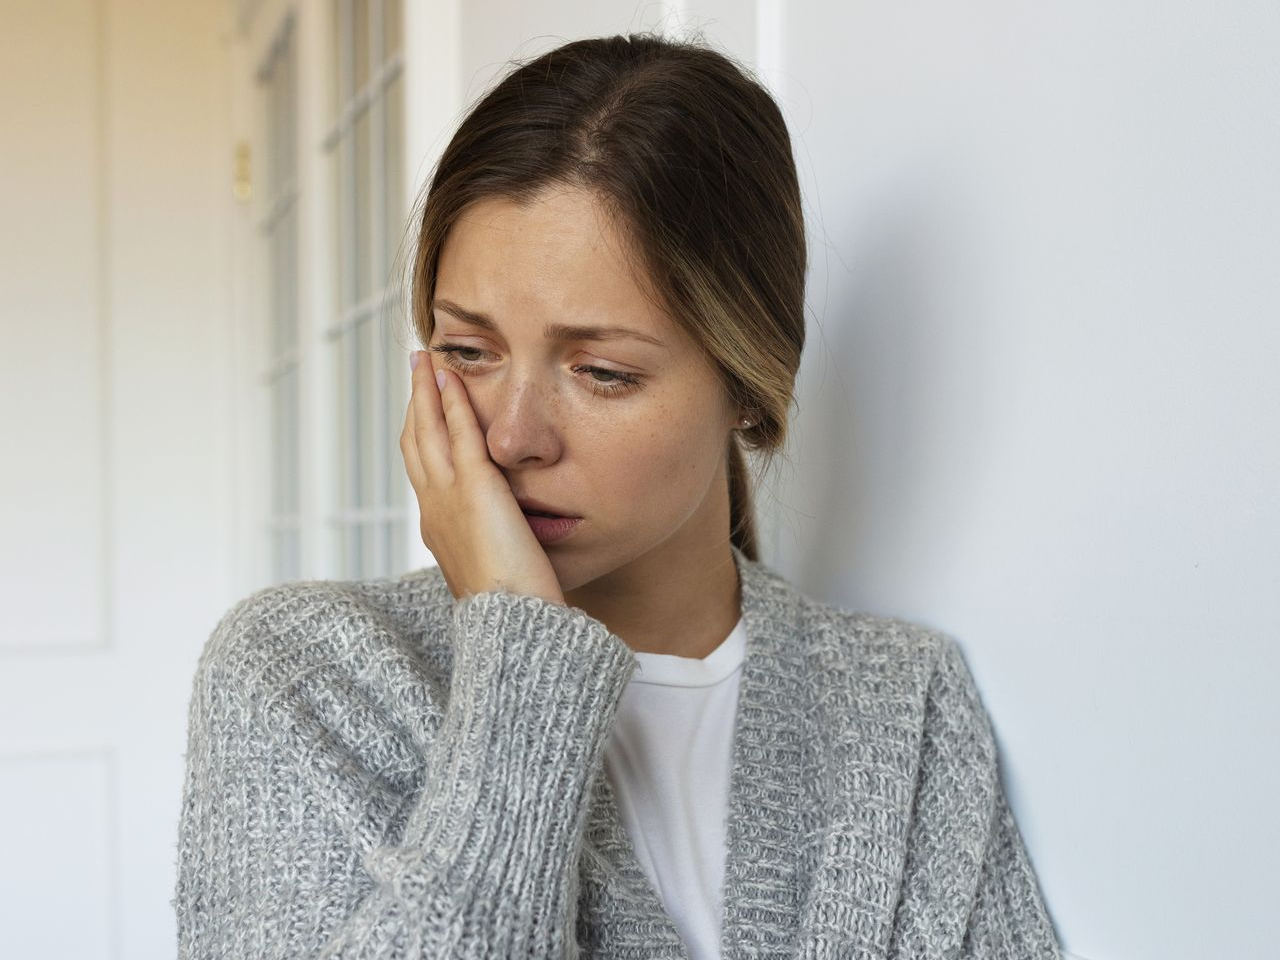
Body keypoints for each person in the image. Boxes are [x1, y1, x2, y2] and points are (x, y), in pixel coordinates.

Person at [173, 32, 1063, 960]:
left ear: (748, 386)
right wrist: (518, 655)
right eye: (467, 352)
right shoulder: (305, 679)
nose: (511, 437)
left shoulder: (900, 707)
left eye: (600, 371)